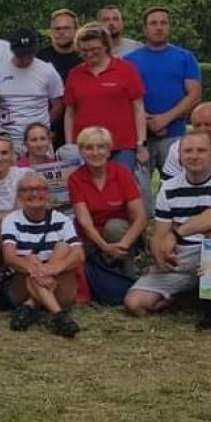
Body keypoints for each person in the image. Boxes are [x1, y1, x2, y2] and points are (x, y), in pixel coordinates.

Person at [124, 129, 211, 318]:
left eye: (201, 150)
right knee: (135, 304)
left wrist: (177, 234)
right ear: (179, 156)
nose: (194, 156)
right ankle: (187, 291)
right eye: (188, 151)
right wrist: (160, 257)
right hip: (182, 258)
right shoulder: (169, 188)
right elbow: (159, 233)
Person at [125, 6, 202, 210]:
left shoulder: (185, 57)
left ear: (170, 26)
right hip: (141, 137)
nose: (158, 27)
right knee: (139, 188)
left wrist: (165, 119)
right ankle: (145, 224)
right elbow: (125, 98)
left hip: (174, 134)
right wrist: (148, 121)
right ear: (145, 28)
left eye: (163, 23)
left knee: (177, 185)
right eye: (153, 23)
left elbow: (194, 95)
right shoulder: (130, 61)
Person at [68, 126, 145, 305]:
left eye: (101, 147)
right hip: (90, 238)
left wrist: (123, 245)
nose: (95, 152)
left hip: (120, 235)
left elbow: (140, 217)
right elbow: (85, 223)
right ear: (81, 152)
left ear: (109, 150)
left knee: (114, 227)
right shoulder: (75, 178)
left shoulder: (122, 173)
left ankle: (129, 276)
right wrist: (105, 247)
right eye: (88, 148)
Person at [1, 172, 84, 337]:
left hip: (56, 283)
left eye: (39, 189)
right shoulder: (11, 220)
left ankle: (30, 305)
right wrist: (36, 269)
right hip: (23, 284)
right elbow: (9, 257)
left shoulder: (62, 220)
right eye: (27, 190)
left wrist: (52, 269)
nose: (34, 194)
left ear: (47, 193)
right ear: (19, 196)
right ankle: (59, 316)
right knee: (31, 261)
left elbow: (79, 255)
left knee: (63, 247)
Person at [63, 23, 147, 171]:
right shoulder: (75, 74)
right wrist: (70, 145)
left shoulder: (126, 69)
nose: (89, 54)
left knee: (122, 183)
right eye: (84, 50)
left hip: (121, 146)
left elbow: (138, 108)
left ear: (106, 46)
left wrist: (141, 143)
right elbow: (70, 112)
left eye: (94, 49)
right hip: (87, 147)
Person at [0, 29, 64, 156]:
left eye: (29, 55)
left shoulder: (48, 71)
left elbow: (58, 105)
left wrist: (42, 125)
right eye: (21, 55)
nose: (25, 59)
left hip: (39, 139)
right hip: (8, 137)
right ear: (12, 51)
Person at [37, 8, 80, 146]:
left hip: (80, 124)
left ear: (76, 30)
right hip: (49, 126)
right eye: (57, 29)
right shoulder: (39, 58)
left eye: (66, 28)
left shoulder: (85, 57)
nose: (61, 32)